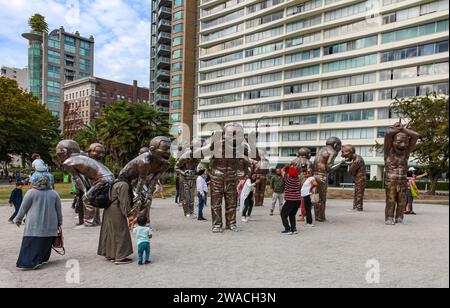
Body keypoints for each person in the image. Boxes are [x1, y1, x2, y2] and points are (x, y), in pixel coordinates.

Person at [14, 175, 63, 270]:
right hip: (50, 225)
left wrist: (18, 219)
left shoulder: (31, 193)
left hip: (34, 225)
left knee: (31, 244)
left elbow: (23, 208)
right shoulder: (54, 194)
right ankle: (42, 259)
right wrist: (60, 222)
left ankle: (30, 262)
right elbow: (58, 210)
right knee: (45, 244)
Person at [98, 169, 138, 265]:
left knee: (110, 232)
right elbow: (124, 202)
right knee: (120, 232)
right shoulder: (124, 185)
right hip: (116, 210)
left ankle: (111, 254)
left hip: (109, 209)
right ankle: (120, 257)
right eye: (135, 179)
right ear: (132, 178)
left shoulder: (116, 181)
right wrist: (129, 215)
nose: (135, 182)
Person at [384, 123, 420, 225]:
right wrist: (397, 129)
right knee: (390, 200)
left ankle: (399, 217)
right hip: (391, 180)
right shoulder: (388, 152)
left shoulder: (406, 152)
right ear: (393, 142)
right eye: (399, 142)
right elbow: (387, 134)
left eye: (405, 142)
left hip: (403, 180)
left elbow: (416, 135)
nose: (402, 145)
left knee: (402, 200)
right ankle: (389, 217)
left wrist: (403, 129)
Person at [280, 166, 301, 235]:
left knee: (283, 214)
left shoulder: (287, 178)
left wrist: (287, 166)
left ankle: (288, 229)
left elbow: (282, 170)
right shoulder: (297, 178)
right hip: (298, 199)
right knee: (292, 215)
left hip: (290, 199)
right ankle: (294, 229)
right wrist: (291, 168)